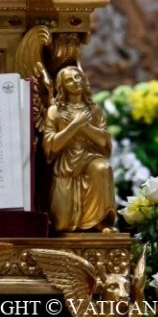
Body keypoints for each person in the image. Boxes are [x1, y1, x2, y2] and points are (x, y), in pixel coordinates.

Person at [42, 66, 116, 232]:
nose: (75, 82)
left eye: (77, 77)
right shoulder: (55, 111)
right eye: (69, 80)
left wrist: (84, 126)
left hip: (90, 158)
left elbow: (104, 143)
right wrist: (74, 125)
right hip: (66, 165)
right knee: (61, 224)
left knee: (103, 168)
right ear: (62, 86)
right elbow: (50, 147)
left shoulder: (94, 111)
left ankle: (102, 222)